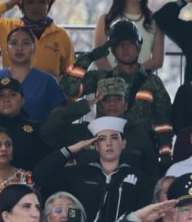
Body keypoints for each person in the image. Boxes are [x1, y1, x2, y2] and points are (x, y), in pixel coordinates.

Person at [61, 20, 174, 166]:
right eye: (120, 44)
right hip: (105, 152)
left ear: (138, 48)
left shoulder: (153, 83)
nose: (125, 49)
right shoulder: (101, 78)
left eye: (130, 43)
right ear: (113, 50)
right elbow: (68, 88)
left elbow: (164, 122)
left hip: (141, 152)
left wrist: (165, 156)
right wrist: (89, 58)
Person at [33, 117, 151, 222]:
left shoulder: (138, 177)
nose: (108, 143)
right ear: (96, 145)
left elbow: (148, 218)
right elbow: (39, 176)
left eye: (114, 138)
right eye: (102, 139)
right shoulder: (80, 173)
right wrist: (71, 149)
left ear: (123, 144)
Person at [41, 76, 159, 180]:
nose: (112, 103)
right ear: (99, 105)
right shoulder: (84, 132)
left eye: (118, 99)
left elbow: (152, 174)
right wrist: (83, 106)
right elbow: (48, 130)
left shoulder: (138, 134)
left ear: (126, 104)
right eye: (106, 99)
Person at [0, 26, 67, 123]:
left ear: (34, 49)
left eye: (26, 43)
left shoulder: (48, 82)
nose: (19, 48)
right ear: (6, 49)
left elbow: (58, 124)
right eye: (13, 43)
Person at [92, 0, 165, 72]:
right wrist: (114, 77)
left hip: (143, 80)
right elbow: (99, 58)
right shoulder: (106, 20)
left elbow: (157, 61)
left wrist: (133, 74)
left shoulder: (154, 21)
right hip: (109, 80)